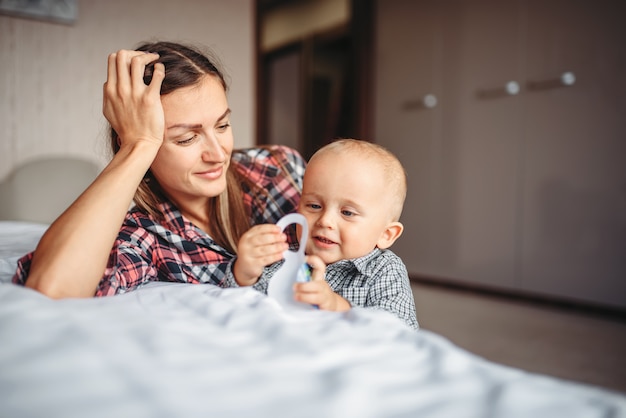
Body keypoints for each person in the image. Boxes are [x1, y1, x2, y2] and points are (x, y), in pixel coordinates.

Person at [12, 41, 304, 298]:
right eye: (186, 138)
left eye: (223, 125)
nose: (218, 155)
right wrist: (136, 145)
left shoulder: (274, 168)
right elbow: (52, 287)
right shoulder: (148, 235)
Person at [233, 139, 419, 330]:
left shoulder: (385, 270)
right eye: (314, 206)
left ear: (386, 234)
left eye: (347, 212)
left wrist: (338, 307)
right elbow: (241, 311)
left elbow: (401, 331)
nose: (325, 221)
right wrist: (244, 274)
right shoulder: (284, 255)